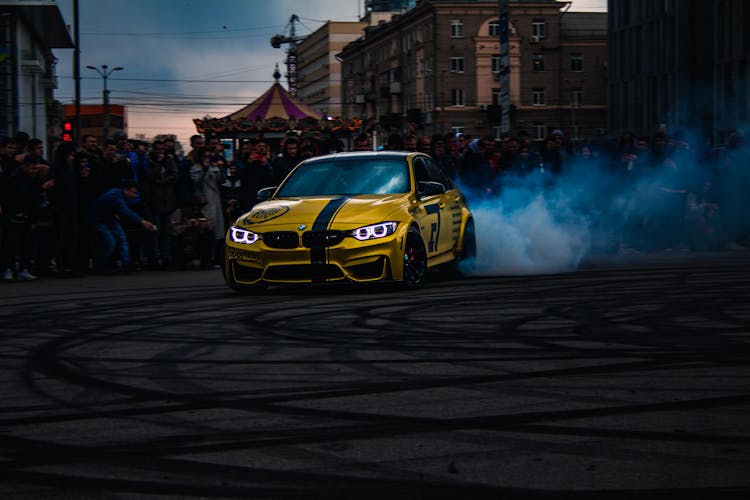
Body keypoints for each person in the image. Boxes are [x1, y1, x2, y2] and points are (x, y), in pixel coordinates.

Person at [2, 156, 55, 281]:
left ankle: (23, 269)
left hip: (27, 215)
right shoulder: (14, 178)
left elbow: (35, 200)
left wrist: (34, 219)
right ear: (24, 167)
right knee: (10, 243)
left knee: (26, 243)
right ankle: (8, 268)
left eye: (36, 168)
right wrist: (42, 188)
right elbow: (22, 193)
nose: (35, 171)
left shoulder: (34, 178)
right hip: (12, 214)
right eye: (32, 168)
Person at [87, 179, 156, 274]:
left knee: (121, 238)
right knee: (110, 242)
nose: (135, 195)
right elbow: (126, 211)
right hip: (99, 220)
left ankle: (125, 263)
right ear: (126, 190)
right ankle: (100, 265)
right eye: (134, 193)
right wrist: (142, 221)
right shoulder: (115, 198)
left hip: (107, 218)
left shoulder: (117, 193)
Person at [190, 147, 226, 266]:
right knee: (206, 231)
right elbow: (196, 183)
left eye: (208, 156)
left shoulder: (213, 167)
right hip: (204, 202)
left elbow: (222, 181)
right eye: (205, 156)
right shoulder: (196, 169)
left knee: (218, 231)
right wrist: (205, 170)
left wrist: (220, 167)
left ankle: (215, 257)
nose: (207, 159)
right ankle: (206, 259)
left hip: (216, 201)